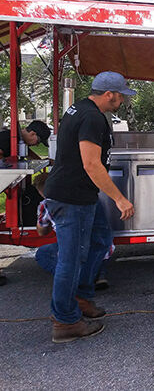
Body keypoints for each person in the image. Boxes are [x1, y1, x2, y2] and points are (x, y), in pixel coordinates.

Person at [43, 71, 135, 343]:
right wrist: (119, 198)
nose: (122, 102)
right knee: (71, 259)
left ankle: (82, 298)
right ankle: (65, 321)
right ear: (109, 94)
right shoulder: (92, 117)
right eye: (121, 97)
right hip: (71, 198)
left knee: (99, 241)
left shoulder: (79, 109)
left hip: (81, 196)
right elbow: (91, 163)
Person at [0, 120, 51, 285]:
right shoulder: (9, 138)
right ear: (32, 134)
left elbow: (30, 155)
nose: (36, 144)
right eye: (37, 140)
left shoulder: (16, 137)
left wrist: (46, 162)